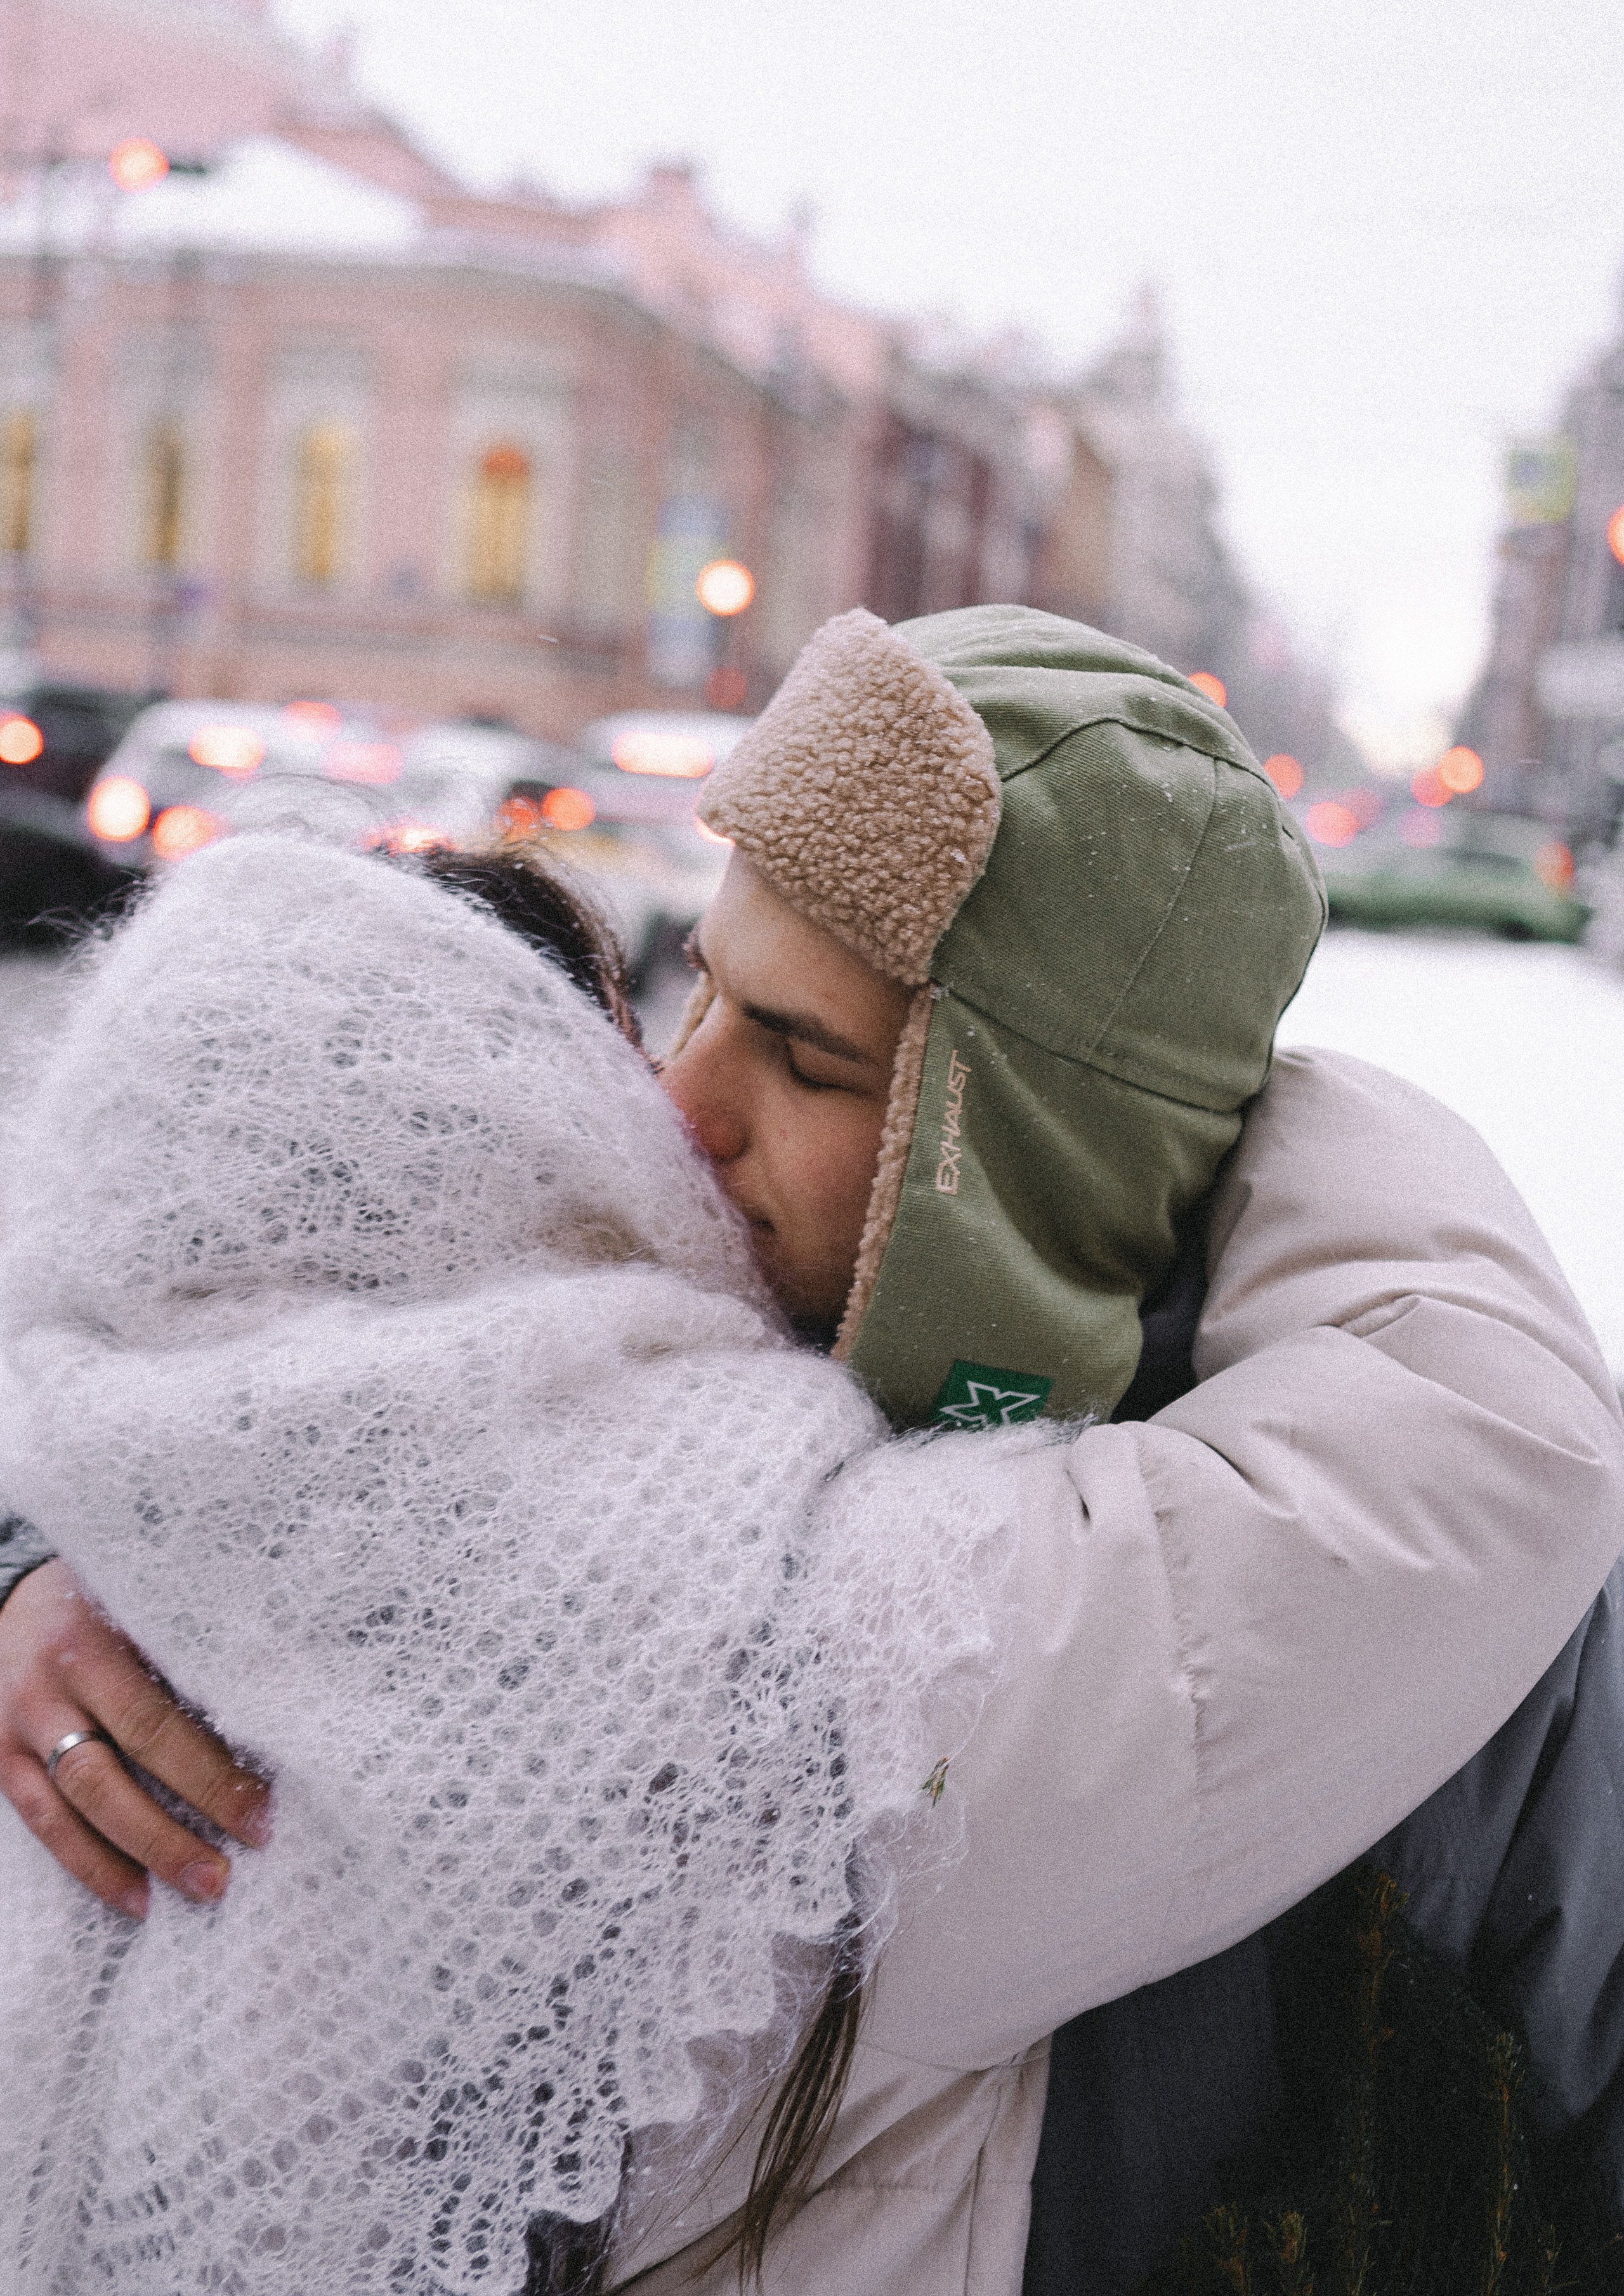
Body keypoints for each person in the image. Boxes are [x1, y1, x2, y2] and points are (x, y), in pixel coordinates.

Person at [1, 605, 1621, 2296]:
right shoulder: (597, 1382)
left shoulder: (1414, 1606)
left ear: (1029, 1144)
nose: (677, 1104)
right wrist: (42, 1562)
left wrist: (1192, 1079)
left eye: (813, 1057)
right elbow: (187, 1365)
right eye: (705, 984)